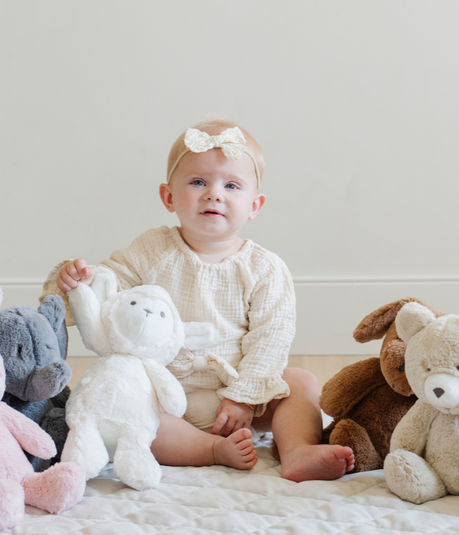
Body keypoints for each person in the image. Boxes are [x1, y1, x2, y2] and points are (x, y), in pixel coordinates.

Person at [43, 118, 354, 482]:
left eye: (232, 185)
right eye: (197, 182)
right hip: (167, 393)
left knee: (301, 382)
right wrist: (75, 283)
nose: (214, 194)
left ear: (255, 204)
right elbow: (109, 291)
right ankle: (210, 449)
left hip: (241, 394)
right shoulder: (153, 249)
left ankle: (297, 450)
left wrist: (244, 397)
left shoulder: (264, 267)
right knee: (130, 410)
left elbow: (272, 337)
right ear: (169, 196)